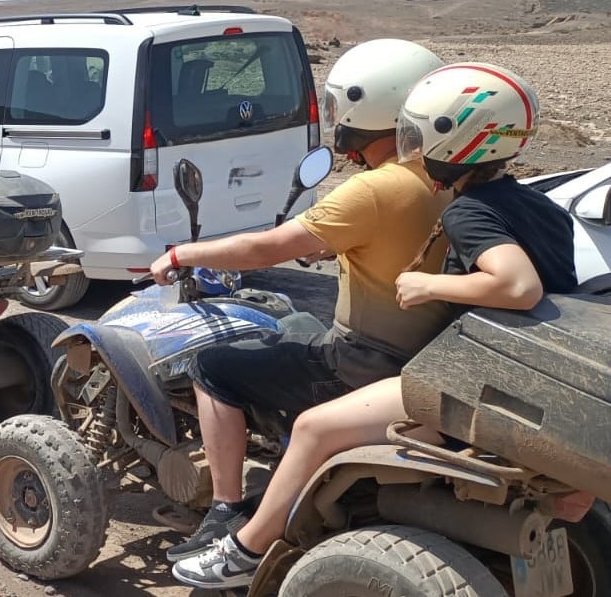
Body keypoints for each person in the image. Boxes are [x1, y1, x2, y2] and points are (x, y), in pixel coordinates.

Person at [172, 62, 584, 589]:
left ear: (447, 136)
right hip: (525, 373)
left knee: (308, 424)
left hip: (469, 377)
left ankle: (243, 547)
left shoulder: (467, 211)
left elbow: (518, 286)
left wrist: (429, 286)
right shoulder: (538, 203)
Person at [147, 39, 453, 563]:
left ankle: (226, 509)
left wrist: (181, 254)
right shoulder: (445, 177)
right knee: (291, 328)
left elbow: (268, 247)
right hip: (426, 353)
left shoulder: (376, 188)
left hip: (362, 361)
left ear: (361, 107)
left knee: (212, 366)